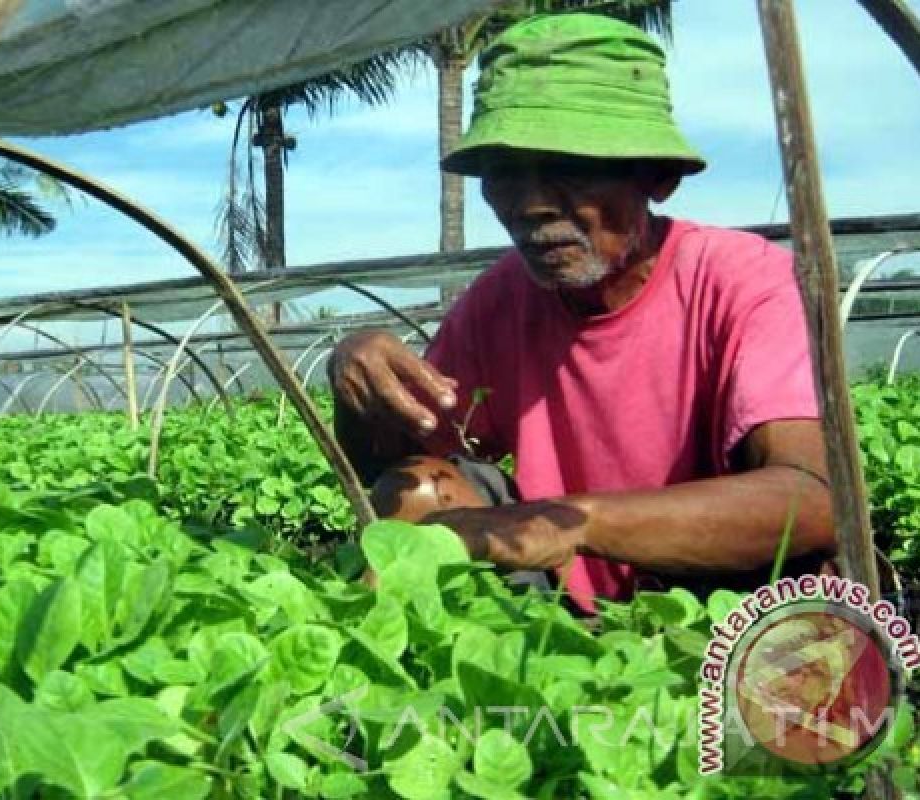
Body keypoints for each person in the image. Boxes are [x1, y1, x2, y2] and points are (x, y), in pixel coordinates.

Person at [328, 13, 836, 612]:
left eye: (567, 167)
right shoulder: (500, 300)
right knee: (418, 490)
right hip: (558, 609)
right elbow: (391, 469)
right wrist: (355, 389)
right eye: (505, 173)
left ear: (658, 176)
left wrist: (569, 522)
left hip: (718, 604)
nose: (530, 204)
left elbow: (812, 500)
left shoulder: (744, 281)